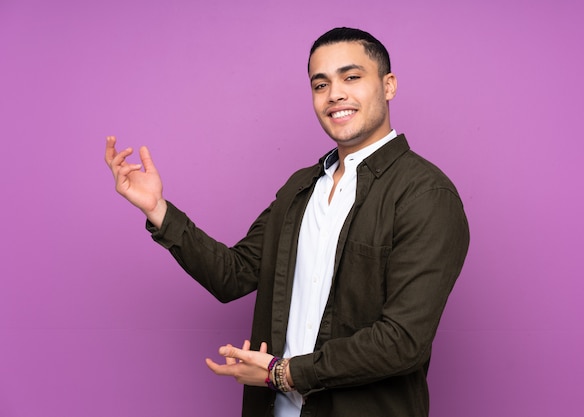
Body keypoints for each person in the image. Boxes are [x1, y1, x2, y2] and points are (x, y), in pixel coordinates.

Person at [105, 27, 469, 417]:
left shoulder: (426, 195)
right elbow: (234, 274)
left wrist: (284, 373)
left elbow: (402, 341)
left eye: (352, 77)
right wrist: (157, 208)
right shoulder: (301, 188)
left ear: (389, 85)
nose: (335, 94)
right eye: (320, 84)